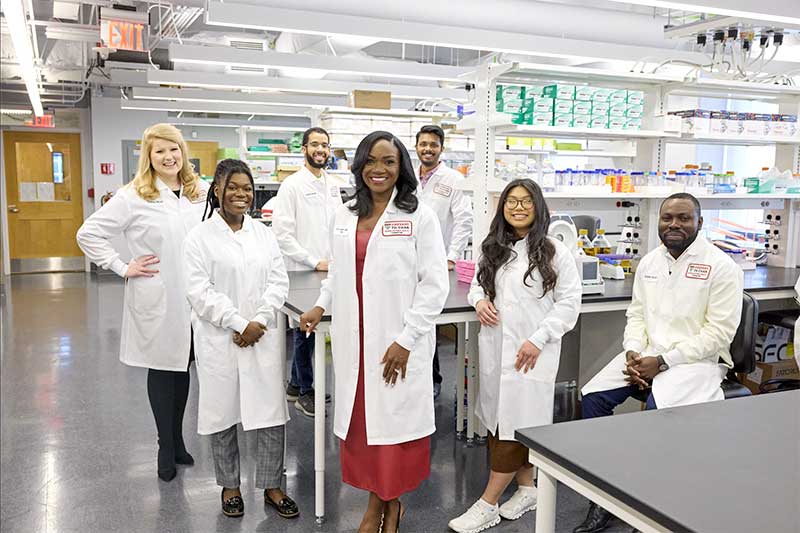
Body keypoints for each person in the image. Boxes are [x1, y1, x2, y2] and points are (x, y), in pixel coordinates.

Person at [300, 131, 449, 533]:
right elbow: (339, 272)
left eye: (388, 161)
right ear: (359, 165)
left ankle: (388, 506)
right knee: (364, 430)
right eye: (371, 161)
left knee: (393, 434)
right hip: (355, 341)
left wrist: (406, 340)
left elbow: (435, 284)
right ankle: (377, 503)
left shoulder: (419, 215)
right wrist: (320, 304)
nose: (378, 169)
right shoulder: (346, 213)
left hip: (396, 339)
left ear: (402, 167)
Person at [573, 192, 744, 533]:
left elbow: (718, 335)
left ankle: (650, 510)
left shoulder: (722, 267)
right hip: (646, 354)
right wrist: (634, 351)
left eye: (684, 218)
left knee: (655, 414)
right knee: (591, 399)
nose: (674, 225)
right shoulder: (650, 262)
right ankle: (603, 498)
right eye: (668, 218)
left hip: (695, 362)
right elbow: (636, 314)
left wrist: (663, 362)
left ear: (699, 222)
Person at [448, 179, 582, 533]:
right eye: (511, 201)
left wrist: (538, 339)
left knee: (514, 426)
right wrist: (479, 301)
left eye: (525, 201)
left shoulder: (555, 251)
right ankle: (527, 488)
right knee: (502, 422)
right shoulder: (494, 247)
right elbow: (478, 283)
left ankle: (487, 504)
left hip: (531, 354)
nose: (518, 207)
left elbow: (569, 304)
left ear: (538, 207)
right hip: (496, 351)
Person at [76, 123, 207, 482]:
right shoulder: (134, 194)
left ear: (184, 153)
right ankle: (165, 445)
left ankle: (179, 440)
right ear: (148, 157)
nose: (169, 157)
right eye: (160, 151)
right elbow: (88, 234)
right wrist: (122, 265)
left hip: (194, 297)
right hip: (158, 295)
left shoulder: (199, 192)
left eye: (174, 149)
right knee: (163, 369)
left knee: (183, 369)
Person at [183, 159, 298, 519]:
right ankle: (230, 486)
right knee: (223, 414)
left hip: (261, 336)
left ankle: (272, 485)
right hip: (220, 337)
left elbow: (279, 281)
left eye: (246, 188)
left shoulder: (263, 234)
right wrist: (236, 322)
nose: (240, 194)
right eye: (232, 186)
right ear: (216, 189)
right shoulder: (198, 237)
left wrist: (258, 320)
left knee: (269, 413)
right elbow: (198, 291)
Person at [271, 126, 341, 417]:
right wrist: (313, 261)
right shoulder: (291, 186)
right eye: (315, 145)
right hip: (304, 269)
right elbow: (282, 235)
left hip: (328, 267)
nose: (320, 150)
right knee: (306, 329)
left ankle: (294, 386)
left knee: (309, 329)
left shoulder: (334, 184)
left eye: (325, 145)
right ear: (304, 149)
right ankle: (306, 392)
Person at [415, 125, 473, 399]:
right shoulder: (407, 177)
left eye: (433, 145)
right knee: (412, 318)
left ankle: (433, 377)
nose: (428, 149)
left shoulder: (453, 179)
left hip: (438, 260)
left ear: (441, 148)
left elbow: (464, 220)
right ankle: (415, 374)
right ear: (416, 146)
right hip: (408, 259)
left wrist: (452, 256)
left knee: (431, 319)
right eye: (423, 144)